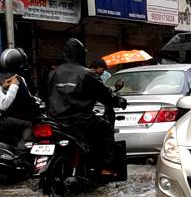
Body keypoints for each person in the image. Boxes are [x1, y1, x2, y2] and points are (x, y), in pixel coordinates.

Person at [47, 38, 126, 170]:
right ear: (81, 54)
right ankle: (105, 169)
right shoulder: (87, 74)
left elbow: (45, 95)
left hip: (55, 120)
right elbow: (105, 95)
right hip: (80, 120)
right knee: (106, 130)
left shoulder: (53, 73)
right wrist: (119, 101)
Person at [0, 49, 36, 164]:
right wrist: (14, 86)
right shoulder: (17, 79)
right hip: (3, 118)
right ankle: (21, 157)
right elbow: (3, 105)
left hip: (7, 116)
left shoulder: (2, 77)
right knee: (29, 125)